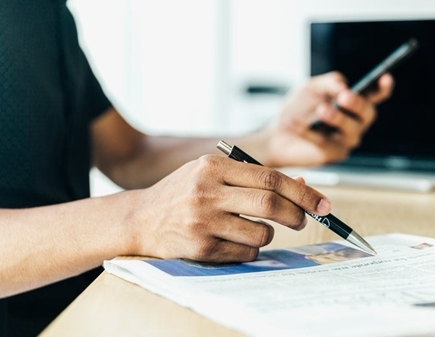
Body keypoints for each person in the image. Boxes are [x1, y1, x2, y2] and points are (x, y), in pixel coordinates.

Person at [0, 2, 394, 336]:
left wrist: (272, 140)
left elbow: (128, 154)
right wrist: (140, 217)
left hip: (82, 308)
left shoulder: (45, 11)